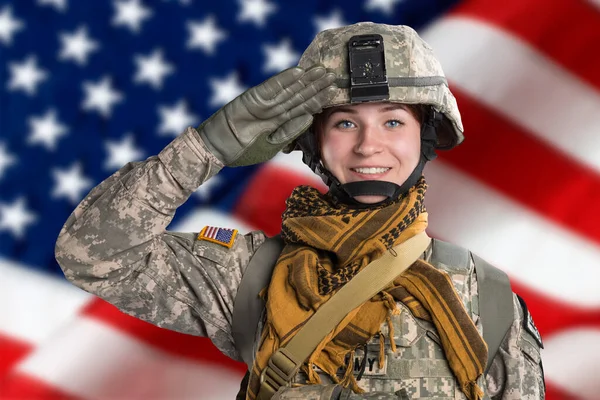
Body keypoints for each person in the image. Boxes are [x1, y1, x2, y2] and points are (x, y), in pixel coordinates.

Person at [55, 22, 545, 399]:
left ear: (426, 138)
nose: (369, 146)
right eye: (345, 124)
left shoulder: (488, 299)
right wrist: (209, 147)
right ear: (314, 142)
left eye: (394, 121)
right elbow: (94, 253)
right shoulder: (251, 276)